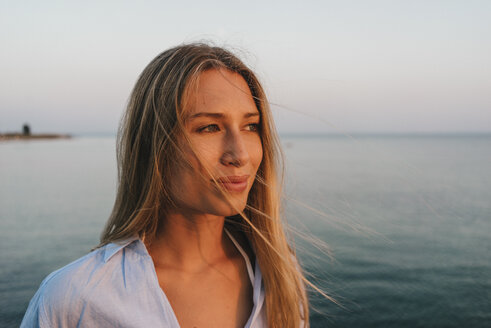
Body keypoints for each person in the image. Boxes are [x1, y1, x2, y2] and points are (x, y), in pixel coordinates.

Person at [21, 43, 309, 328]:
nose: (241, 155)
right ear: (153, 145)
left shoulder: (280, 274)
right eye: (209, 127)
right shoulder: (74, 300)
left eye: (250, 126)